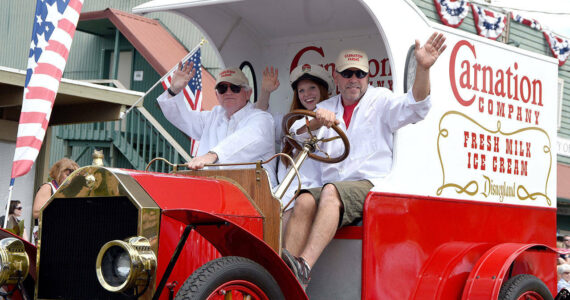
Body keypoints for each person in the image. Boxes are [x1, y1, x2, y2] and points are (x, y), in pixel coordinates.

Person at [281, 32, 447, 288]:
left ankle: (302, 266)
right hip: (335, 187)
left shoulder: (380, 100)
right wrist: (316, 120)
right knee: (302, 199)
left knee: (330, 192)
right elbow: (294, 133)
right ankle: (283, 276)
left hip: (370, 185)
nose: (353, 80)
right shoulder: (327, 106)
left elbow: (416, 106)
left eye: (360, 74)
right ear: (336, 77)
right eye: (347, 74)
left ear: (368, 77)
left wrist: (423, 69)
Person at [157, 63, 277, 185]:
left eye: (235, 88)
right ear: (217, 95)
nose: (228, 92)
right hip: (210, 188)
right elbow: (180, 117)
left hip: (255, 193)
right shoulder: (212, 117)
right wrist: (174, 90)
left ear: (248, 93)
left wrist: (213, 155)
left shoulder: (261, 118)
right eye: (222, 88)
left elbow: (248, 138)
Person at [256, 64, 335, 222]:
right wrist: (265, 91)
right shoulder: (291, 121)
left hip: (311, 195)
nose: (307, 94)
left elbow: (305, 131)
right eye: (301, 90)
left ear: (323, 90)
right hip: (283, 194)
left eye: (312, 88)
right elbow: (260, 119)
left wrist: (321, 120)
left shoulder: (333, 124)